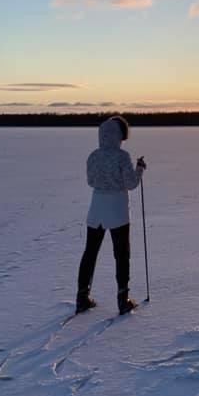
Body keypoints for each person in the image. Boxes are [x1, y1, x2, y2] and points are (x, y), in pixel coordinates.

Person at [76, 115, 146, 315]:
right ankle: (123, 299)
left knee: (90, 253)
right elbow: (131, 184)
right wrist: (140, 169)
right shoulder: (121, 156)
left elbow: (90, 181)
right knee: (121, 255)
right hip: (117, 210)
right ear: (118, 136)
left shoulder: (93, 156)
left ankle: (82, 297)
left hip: (96, 208)